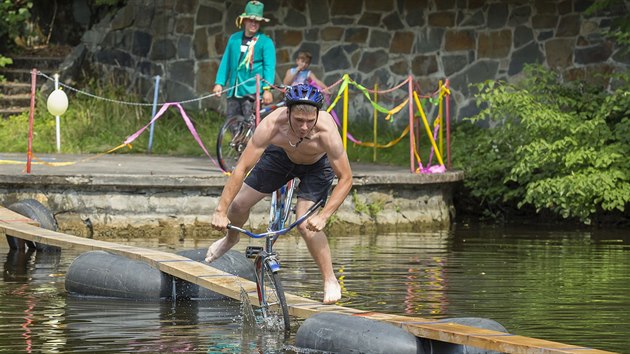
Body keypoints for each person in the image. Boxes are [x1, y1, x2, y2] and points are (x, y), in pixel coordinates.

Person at [205, 84, 353, 305]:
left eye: (310, 121)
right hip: (280, 158)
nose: (304, 127)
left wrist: (324, 216)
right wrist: (220, 210)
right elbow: (241, 168)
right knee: (238, 206)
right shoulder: (272, 125)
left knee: (305, 224)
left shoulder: (326, 132)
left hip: (317, 166)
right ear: (288, 112)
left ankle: (329, 279)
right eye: (298, 120)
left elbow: (346, 178)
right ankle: (230, 239)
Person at [213, 1, 276, 121]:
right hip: (234, 90)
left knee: (251, 124)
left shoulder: (265, 42)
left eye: (257, 21)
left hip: (252, 92)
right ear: (244, 20)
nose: (254, 23)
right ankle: (236, 140)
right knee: (232, 123)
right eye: (251, 20)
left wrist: (267, 90)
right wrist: (219, 83)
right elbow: (226, 62)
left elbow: (269, 68)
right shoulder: (234, 38)